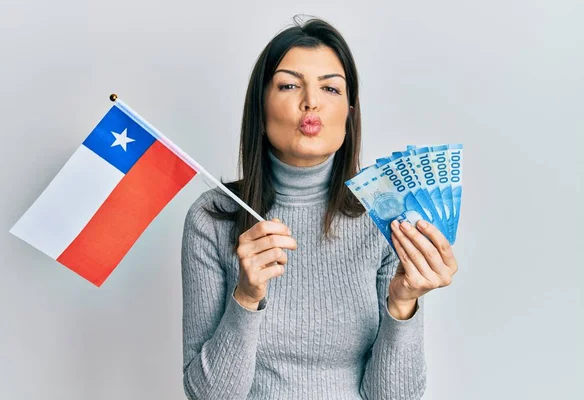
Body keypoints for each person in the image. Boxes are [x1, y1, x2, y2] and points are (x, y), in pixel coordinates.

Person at [181, 16, 458, 400]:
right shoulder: (211, 217)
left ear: (349, 111)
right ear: (260, 109)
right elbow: (207, 395)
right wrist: (246, 296)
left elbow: (393, 397)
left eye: (330, 88)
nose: (310, 101)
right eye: (289, 84)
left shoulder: (384, 213)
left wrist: (403, 303)